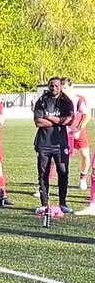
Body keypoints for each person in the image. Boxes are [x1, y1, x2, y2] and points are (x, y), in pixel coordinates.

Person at [34, 76, 74, 214]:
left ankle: (63, 203)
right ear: (48, 86)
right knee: (43, 173)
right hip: (44, 143)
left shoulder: (66, 101)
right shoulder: (42, 101)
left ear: (61, 86)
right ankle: (44, 204)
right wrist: (59, 120)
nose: (54, 88)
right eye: (51, 85)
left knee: (63, 172)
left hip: (60, 143)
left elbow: (69, 120)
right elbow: (38, 122)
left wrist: (50, 118)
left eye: (56, 85)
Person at [64, 78, 90, 190]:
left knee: (85, 155)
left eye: (64, 87)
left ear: (71, 87)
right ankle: (45, 186)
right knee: (54, 159)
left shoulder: (79, 100)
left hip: (78, 131)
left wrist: (79, 129)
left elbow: (87, 115)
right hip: (63, 132)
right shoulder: (58, 100)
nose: (62, 90)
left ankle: (83, 179)